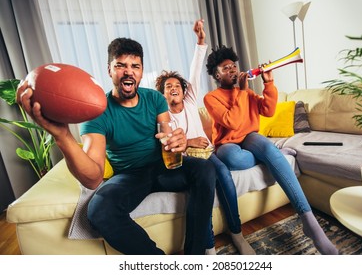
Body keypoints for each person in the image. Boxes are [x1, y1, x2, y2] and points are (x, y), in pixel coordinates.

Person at [17, 37, 216, 255]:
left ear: (141, 72)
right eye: (120, 65)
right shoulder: (97, 112)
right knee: (99, 211)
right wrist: (62, 136)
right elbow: (93, 178)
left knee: (205, 168)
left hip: (162, 167)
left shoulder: (155, 99)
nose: (128, 71)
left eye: (135, 66)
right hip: (130, 176)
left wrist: (178, 142)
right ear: (110, 70)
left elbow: (166, 138)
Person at [203, 45, 339, 255]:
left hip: (250, 137)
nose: (231, 70)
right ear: (216, 75)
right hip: (227, 144)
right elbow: (232, 121)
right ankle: (274, 156)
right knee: (234, 159)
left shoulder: (246, 94)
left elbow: (268, 109)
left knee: (266, 146)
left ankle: (310, 223)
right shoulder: (211, 98)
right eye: (225, 68)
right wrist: (241, 91)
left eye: (233, 66)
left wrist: (268, 82)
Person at [156, 19, 255, 255]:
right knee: (203, 187)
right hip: (190, 162)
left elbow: (195, 68)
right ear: (162, 94)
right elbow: (167, 144)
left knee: (224, 174)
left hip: (209, 154)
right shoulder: (163, 115)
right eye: (168, 87)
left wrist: (201, 41)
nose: (173, 88)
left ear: (183, 89)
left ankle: (237, 233)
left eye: (177, 85)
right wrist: (189, 142)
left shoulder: (190, 100)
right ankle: (209, 245)